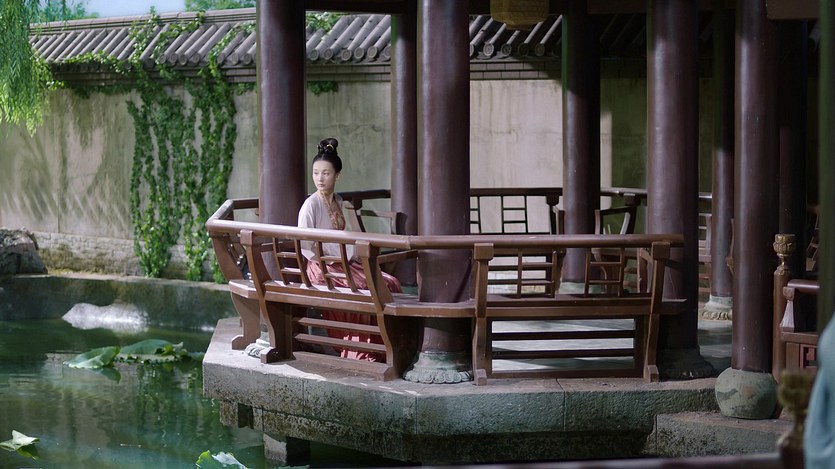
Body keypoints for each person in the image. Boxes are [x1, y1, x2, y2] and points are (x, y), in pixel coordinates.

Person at [297, 138, 402, 361]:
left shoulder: (339, 200)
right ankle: (360, 350)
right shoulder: (310, 205)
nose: (320, 178)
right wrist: (330, 259)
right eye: (316, 173)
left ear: (337, 175)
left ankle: (388, 346)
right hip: (321, 267)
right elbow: (305, 246)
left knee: (390, 282)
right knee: (364, 287)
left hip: (343, 263)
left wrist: (347, 256)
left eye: (326, 173)